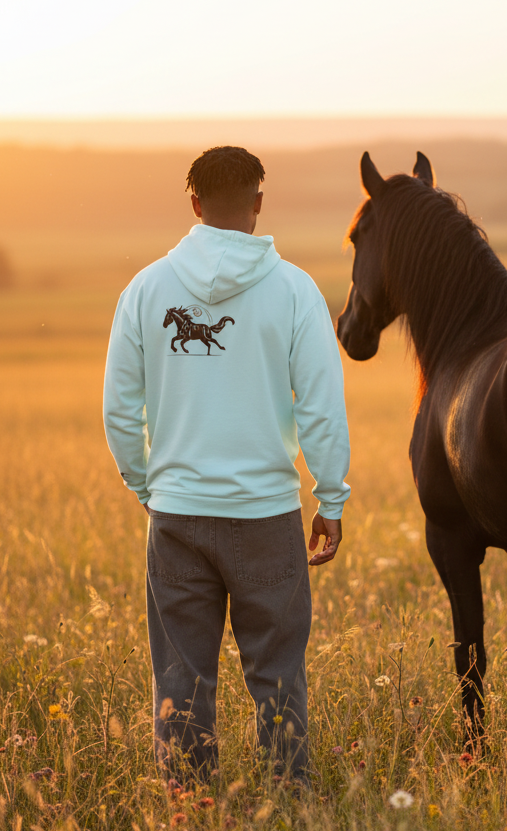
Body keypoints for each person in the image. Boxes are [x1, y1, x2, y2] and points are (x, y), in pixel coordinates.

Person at [102, 145, 350, 785]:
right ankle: (289, 802)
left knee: (180, 676)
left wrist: (146, 486)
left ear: (193, 205)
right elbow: (321, 407)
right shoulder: (295, 290)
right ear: (259, 201)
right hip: (266, 515)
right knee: (277, 673)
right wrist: (332, 499)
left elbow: (120, 412)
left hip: (177, 514)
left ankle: (188, 804)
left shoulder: (145, 289)